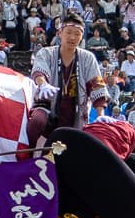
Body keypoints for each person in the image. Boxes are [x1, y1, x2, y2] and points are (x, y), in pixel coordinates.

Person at [28, 12, 107, 144]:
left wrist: (100, 115)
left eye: (77, 34)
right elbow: (39, 71)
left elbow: (96, 84)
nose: (72, 37)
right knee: (36, 121)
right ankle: (25, 154)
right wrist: (43, 84)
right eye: (69, 32)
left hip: (76, 111)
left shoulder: (88, 58)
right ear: (60, 33)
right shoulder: (46, 53)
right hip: (48, 107)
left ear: (82, 37)